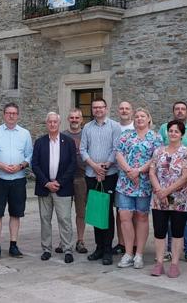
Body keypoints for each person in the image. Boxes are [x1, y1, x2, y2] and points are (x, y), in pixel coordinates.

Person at [114, 108, 161, 270]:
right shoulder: (126, 135)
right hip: (125, 183)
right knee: (124, 216)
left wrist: (139, 171)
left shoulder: (155, 137)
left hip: (144, 183)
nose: (139, 118)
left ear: (149, 119)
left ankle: (139, 254)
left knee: (141, 217)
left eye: (143, 116)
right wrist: (128, 170)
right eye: (137, 116)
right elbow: (118, 153)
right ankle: (128, 253)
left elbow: (156, 157)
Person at [79, 98, 124, 266]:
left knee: (106, 212)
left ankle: (107, 249)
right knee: (96, 212)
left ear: (106, 108)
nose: (98, 110)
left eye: (101, 107)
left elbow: (116, 149)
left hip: (109, 175)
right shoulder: (87, 128)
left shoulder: (114, 127)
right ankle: (98, 248)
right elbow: (82, 149)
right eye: (95, 108)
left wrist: (104, 167)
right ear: (92, 110)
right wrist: (94, 167)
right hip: (91, 175)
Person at [159, 101, 187, 265]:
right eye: (176, 109)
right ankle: (171, 250)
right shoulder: (165, 127)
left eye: (183, 109)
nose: (179, 111)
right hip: (167, 182)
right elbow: (159, 150)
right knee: (170, 216)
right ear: (173, 111)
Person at [0, 103, 34, 260]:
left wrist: (21, 165)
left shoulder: (25, 133)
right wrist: (0, 165)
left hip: (18, 179)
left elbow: (29, 155)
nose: (11, 116)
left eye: (14, 113)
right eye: (8, 113)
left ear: (18, 115)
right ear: (4, 115)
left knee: (16, 213)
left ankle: (13, 245)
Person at [149, 120, 187, 278]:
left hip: (180, 199)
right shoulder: (158, 151)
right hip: (159, 199)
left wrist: (167, 191)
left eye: (176, 131)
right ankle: (159, 263)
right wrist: (159, 190)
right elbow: (152, 172)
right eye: (171, 130)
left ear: (182, 134)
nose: (173, 133)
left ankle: (174, 263)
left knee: (177, 232)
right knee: (159, 232)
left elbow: (186, 176)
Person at [31, 112, 77, 263]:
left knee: (64, 219)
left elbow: (72, 165)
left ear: (59, 123)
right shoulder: (40, 142)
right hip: (44, 187)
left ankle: (68, 249)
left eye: (55, 122)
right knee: (45, 219)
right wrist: (46, 183)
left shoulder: (68, 142)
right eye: (49, 122)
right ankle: (46, 249)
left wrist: (59, 182)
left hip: (62, 187)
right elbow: (35, 164)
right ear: (47, 124)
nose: (52, 124)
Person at [61, 109, 89, 254]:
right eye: (71, 117)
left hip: (81, 177)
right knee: (64, 212)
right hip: (65, 178)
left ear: (81, 119)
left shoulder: (86, 134)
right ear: (68, 119)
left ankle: (80, 240)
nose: (74, 120)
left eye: (77, 117)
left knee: (81, 211)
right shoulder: (63, 135)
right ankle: (64, 240)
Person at [113, 101, 133, 255]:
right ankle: (121, 242)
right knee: (121, 212)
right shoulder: (114, 127)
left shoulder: (136, 127)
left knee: (136, 213)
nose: (124, 111)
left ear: (131, 111)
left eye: (127, 108)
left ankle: (134, 244)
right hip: (115, 174)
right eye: (122, 108)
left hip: (134, 176)